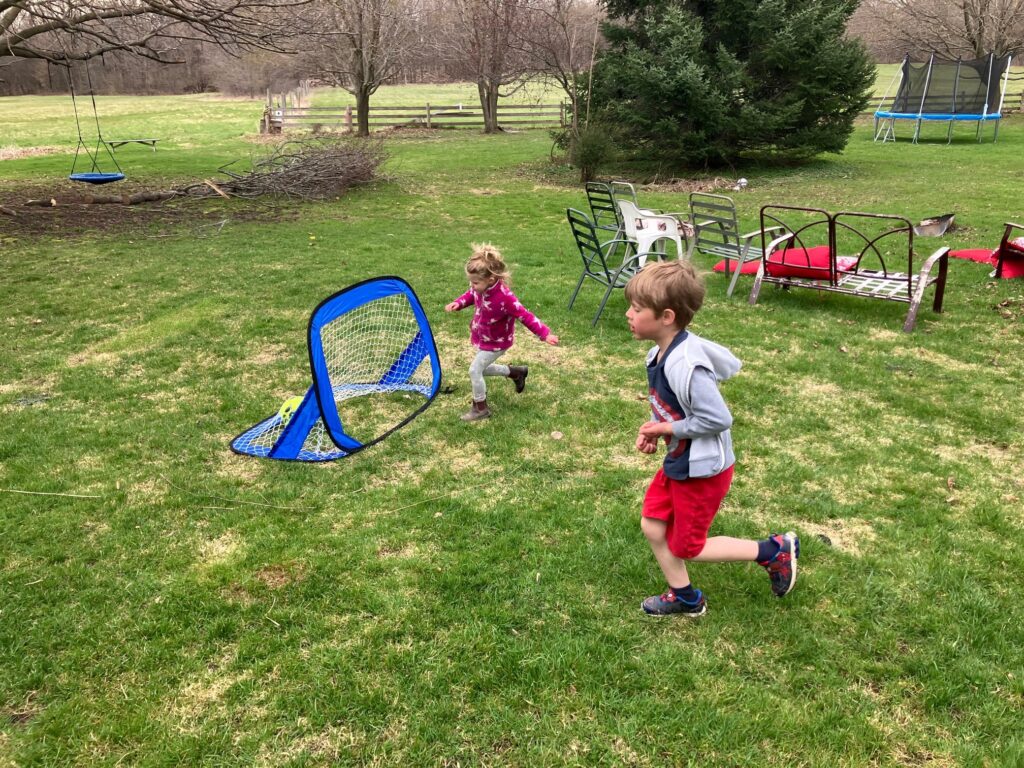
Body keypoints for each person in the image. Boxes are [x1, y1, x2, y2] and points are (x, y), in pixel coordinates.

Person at [624, 260, 798, 616]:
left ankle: (772, 551)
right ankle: (686, 597)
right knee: (653, 524)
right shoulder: (657, 353)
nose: (629, 314)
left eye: (637, 309)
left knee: (688, 546)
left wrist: (667, 430)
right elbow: (671, 407)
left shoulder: (686, 365)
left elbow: (718, 419)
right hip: (679, 461)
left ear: (667, 317)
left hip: (702, 470)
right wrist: (654, 431)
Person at [445, 244, 559, 421]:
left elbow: (525, 316)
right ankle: (516, 372)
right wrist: (458, 303)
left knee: (475, 370)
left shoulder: (505, 298)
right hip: (483, 337)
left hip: (497, 342)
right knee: (483, 370)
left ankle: (480, 408)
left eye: (475, 283)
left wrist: (544, 334)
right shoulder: (480, 287)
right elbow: (471, 294)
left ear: (491, 279)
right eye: (471, 282)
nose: (472, 286)